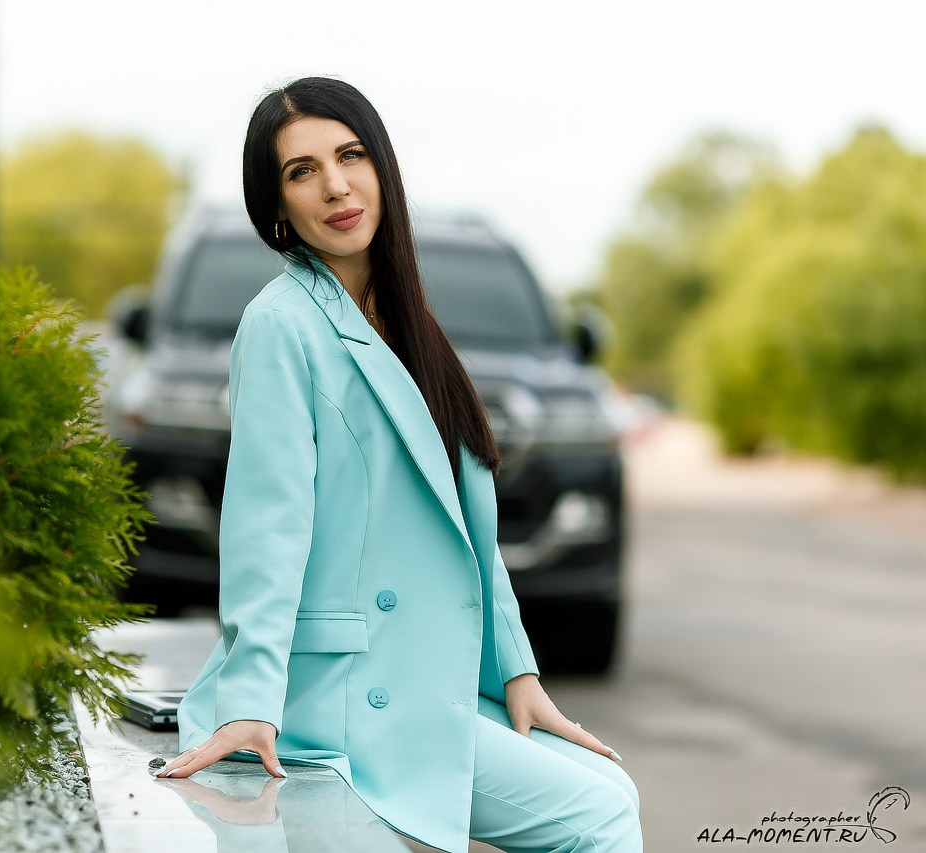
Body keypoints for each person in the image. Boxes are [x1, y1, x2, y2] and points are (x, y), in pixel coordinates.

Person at [153, 76, 643, 853]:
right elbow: (266, 530)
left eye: (351, 156)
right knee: (599, 817)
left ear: (383, 169)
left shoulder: (408, 324)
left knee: (614, 788)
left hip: (418, 671)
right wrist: (250, 701)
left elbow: (465, 528)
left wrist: (518, 673)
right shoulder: (281, 326)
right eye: (301, 170)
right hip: (339, 695)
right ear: (277, 208)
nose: (337, 185)